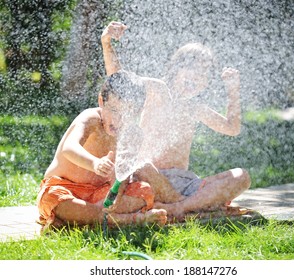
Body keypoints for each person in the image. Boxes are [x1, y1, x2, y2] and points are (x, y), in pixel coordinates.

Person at [101, 22, 251, 220]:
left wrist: (233, 92)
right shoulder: (157, 90)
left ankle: (178, 207)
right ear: (176, 68)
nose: (198, 77)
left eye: (204, 74)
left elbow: (232, 128)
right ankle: (194, 206)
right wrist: (107, 43)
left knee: (242, 176)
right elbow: (119, 81)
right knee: (141, 165)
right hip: (152, 177)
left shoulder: (195, 108)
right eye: (193, 70)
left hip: (185, 183)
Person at [36, 71, 168, 232]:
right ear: (101, 101)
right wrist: (95, 163)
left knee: (144, 191)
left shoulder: (133, 135)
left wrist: (116, 197)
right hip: (66, 189)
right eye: (113, 110)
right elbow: (69, 148)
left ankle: (75, 221)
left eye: (127, 113)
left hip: (99, 196)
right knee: (53, 198)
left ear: (138, 112)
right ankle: (132, 220)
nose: (117, 120)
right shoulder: (90, 119)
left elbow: (123, 176)